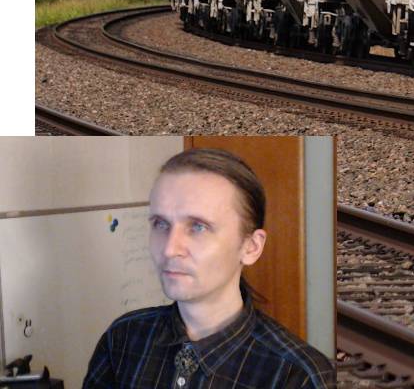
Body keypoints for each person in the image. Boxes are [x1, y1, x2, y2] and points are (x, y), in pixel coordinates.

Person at [82, 148, 332, 388]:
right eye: (160, 223)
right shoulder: (123, 340)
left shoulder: (297, 376)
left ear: (251, 247)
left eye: (198, 227)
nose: (169, 249)